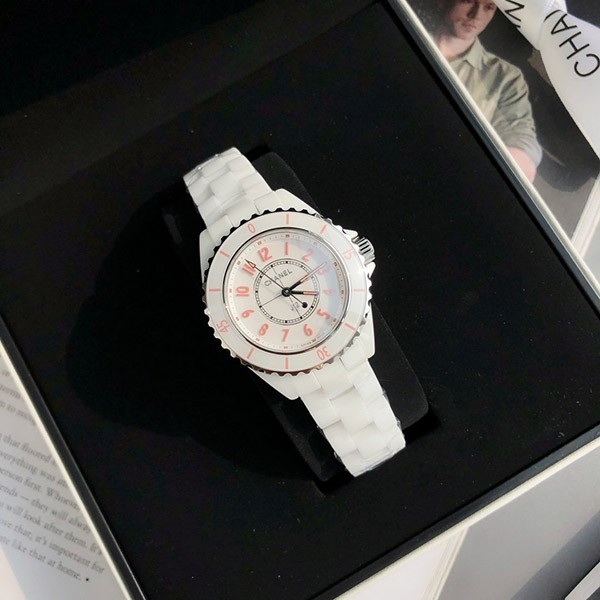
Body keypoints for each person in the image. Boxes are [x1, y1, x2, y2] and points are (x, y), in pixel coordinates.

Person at [433, 0, 542, 181]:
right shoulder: (404, 22)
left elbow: (523, 140)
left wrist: (518, 160)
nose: (476, 15)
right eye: (468, 0)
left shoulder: (505, 78)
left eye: (488, 7)